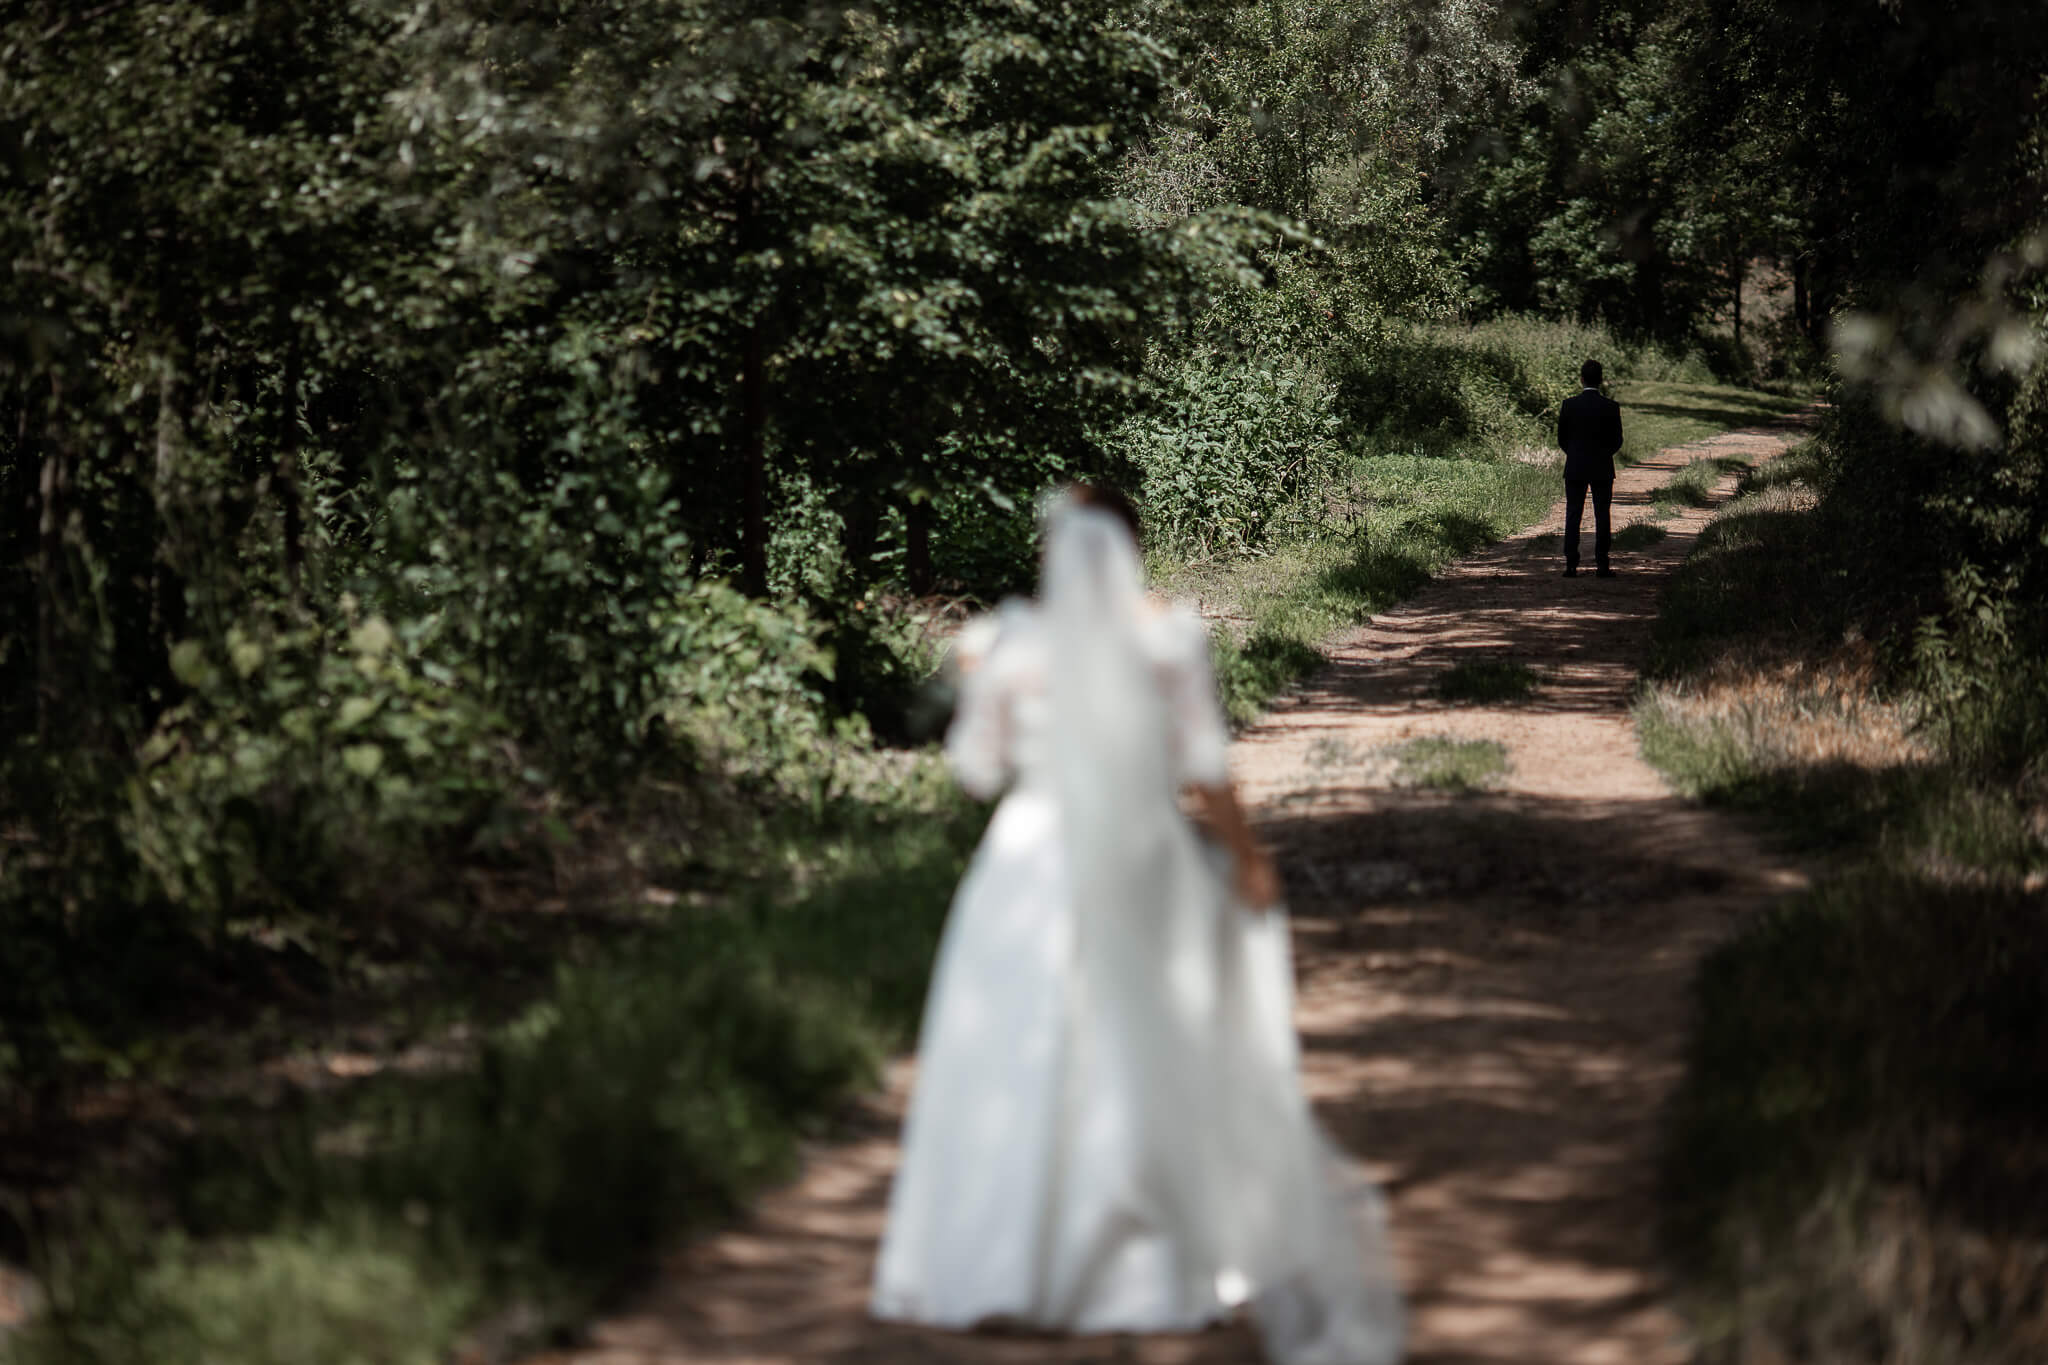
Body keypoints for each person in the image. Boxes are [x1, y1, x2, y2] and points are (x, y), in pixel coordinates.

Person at [870, 484, 1404, 1365]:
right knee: (1148, 1040)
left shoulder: (1010, 644)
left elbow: (976, 770)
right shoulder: (1165, 636)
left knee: (1022, 1044)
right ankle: (1151, 1262)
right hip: (1143, 850)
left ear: (1054, 550)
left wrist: (970, 686)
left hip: (1028, 860)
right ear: (1131, 545)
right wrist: (1247, 852)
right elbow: (1203, 762)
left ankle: (1003, 1257)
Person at [1556, 359, 1624, 578]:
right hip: (1602, 466)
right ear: (1601, 380)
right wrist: (1603, 454)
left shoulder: (1569, 405)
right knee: (1602, 514)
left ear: (1581, 379)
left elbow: (1562, 439)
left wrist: (1575, 454)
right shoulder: (1611, 407)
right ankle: (1602, 564)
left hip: (1575, 465)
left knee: (1573, 513)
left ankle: (1571, 564)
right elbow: (1617, 440)